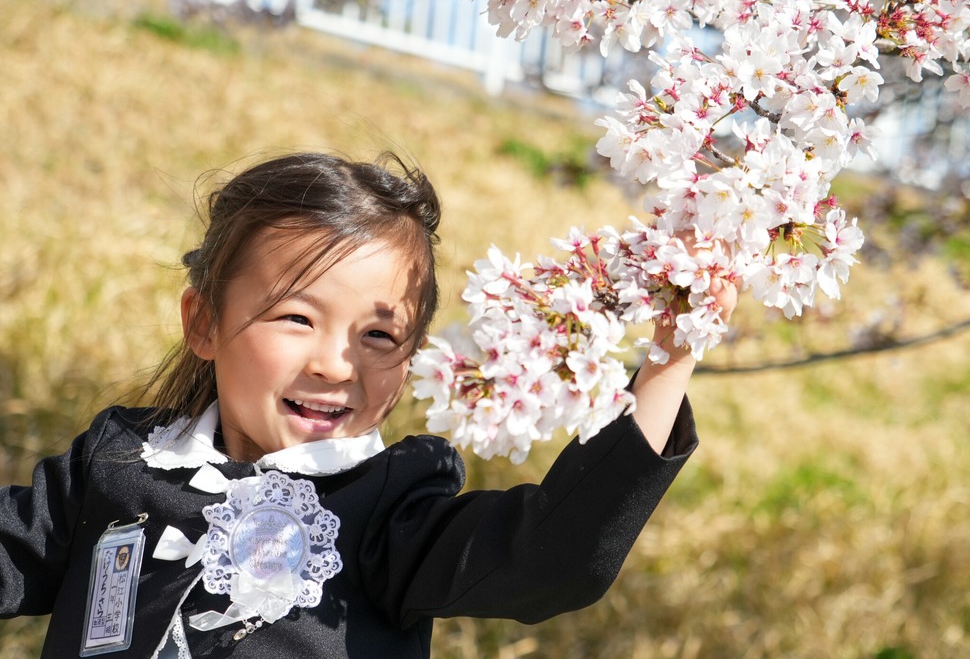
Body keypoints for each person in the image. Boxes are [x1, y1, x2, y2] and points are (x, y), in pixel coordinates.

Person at [0, 152, 737, 658]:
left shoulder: (390, 511)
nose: (335, 364)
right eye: (297, 317)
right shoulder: (120, 462)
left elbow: (554, 555)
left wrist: (672, 353)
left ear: (412, 360)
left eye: (379, 335)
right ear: (204, 323)